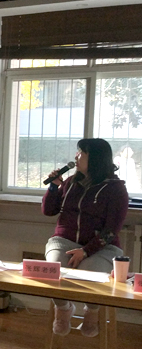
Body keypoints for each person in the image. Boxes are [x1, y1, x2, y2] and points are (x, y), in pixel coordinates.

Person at [43, 138, 128, 338]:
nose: (76, 157)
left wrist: (86, 251)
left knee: (92, 273)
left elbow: (111, 231)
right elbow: (48, 211)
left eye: (81, 153)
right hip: (64, 241)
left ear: (96, 159)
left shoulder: (116, 189)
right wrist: (53, 187)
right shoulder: (71, 182)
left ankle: (92, 311)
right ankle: (63, 309)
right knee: (53, 271)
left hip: (103, 247)